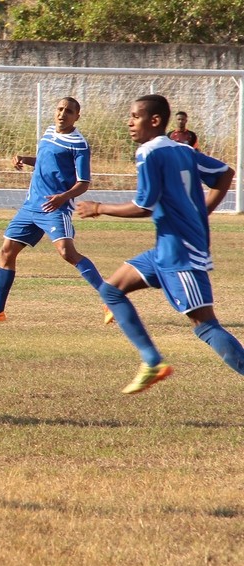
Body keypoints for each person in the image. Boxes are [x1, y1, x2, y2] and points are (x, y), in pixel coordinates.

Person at [77, 94, 244, 394]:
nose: (129, 122)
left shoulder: (149, 152)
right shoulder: (182, 149)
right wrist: (200, 211)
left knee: (205, 325)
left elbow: (145, 205)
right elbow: (224, 174)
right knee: (111, 289)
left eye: (135, 116)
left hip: (181, 253)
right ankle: (152, 360)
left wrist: (99, 207)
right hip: (165, 249)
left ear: (154, 120)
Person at [0, 97, 105, 322]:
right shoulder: (49, 132)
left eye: (68, 111)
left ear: (77, 117)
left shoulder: (79, 144)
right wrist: (24, 158)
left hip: (54, 207)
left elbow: (84, 182)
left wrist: (63, 198)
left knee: (67, 253)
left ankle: (111, 301)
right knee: (6, 252)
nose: (62, 114)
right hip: (30, 206)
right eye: (60, 109)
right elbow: (44, 159)